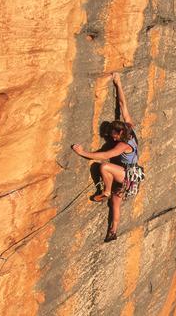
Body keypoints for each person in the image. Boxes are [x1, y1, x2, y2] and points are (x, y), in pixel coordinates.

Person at [72, 72, 138, 242]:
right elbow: (123, 105)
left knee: (104, 167)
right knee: (115, 205)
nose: (112, 138)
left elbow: (106, 155)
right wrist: (118, 82)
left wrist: (83, 152)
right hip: (132, 178)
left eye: (114, 135)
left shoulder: (123, 145)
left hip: (127, 176)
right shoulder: (129, 127)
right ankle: (112, 232)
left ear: (120, 132)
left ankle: (106, 190)